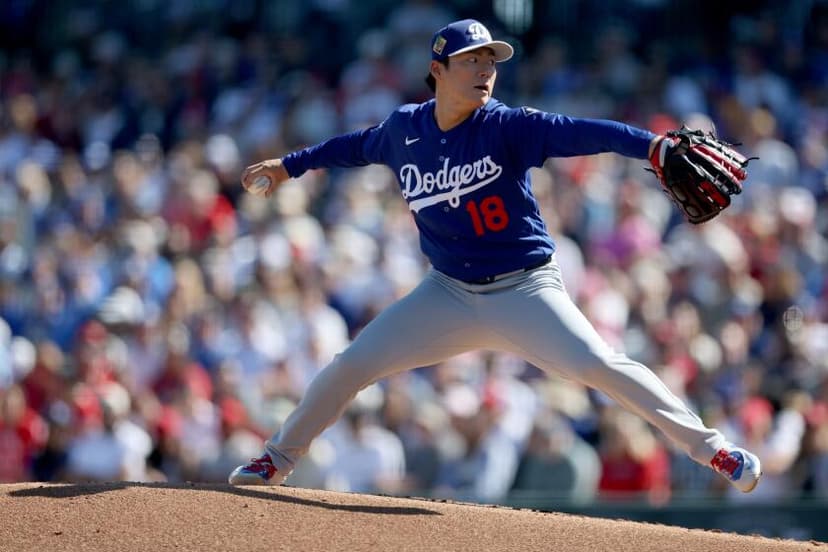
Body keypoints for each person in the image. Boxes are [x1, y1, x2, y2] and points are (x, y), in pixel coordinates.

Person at [229, 19, 762, 494]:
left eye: (491, 61)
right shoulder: (403, 130)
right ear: (438, 70)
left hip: (525, 290)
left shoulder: (505, 125)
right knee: (351, 366)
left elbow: (583, 132)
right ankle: (276, 459)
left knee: (600, 364)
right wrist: (289, 166)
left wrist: (651, 146)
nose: (486, 70)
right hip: (447, 293)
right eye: (472, 60)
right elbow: (353, 145)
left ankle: (714, 450)